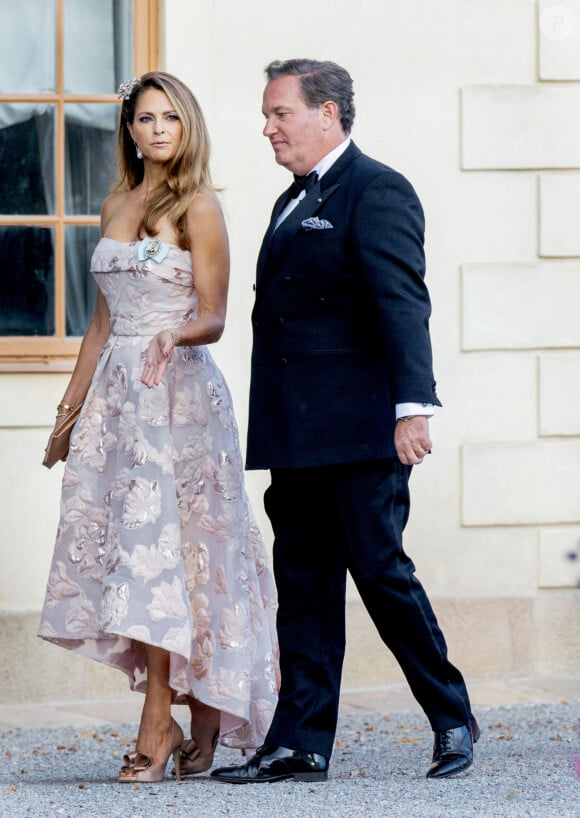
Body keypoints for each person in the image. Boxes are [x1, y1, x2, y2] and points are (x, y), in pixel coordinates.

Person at [211, 58, 479, 785]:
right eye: (266, 116)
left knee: (383, 575)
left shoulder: (379, 189)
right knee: (302, 585)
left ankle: (452, 719)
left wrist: (413, 409)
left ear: (327, 113)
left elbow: (402, 304)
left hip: (363, 431)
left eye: (280, 114)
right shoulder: (287, 203)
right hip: (296, 435)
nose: (268, 128)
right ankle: (300, 744)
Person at [38, 71, 279, 784]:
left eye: (170, 117)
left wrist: (175, 336)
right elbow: (98, 324)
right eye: (145, 118)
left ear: (187, 125)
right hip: (119, 403)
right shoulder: (114, 203)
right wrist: (69, 415)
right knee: (134, 561)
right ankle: (183, 715)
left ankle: (164, 720)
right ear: (130, 129)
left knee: (182, 557)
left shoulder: (199, 206)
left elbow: (215, 314)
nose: (158, 130)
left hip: (177, 398)